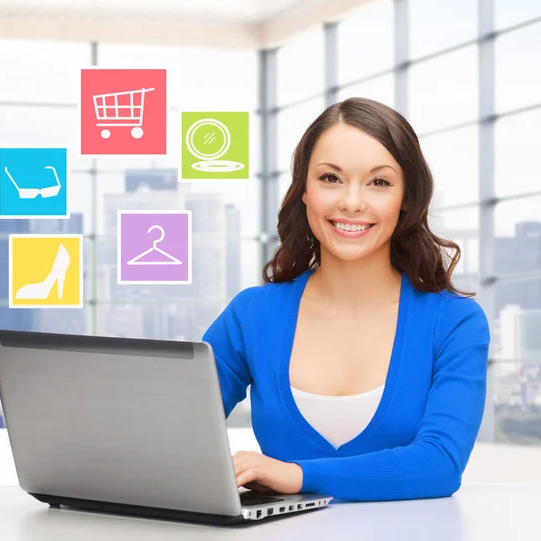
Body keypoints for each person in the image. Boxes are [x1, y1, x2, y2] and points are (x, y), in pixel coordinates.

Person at [202, 97, 490, 502]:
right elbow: (174, 433)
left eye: (379, 182)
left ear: (406, 198)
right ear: (304, 190)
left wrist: (296, 475)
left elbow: (439, 465)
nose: (352, 202)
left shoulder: (454, 322)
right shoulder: (252, 315)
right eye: (330, 178)